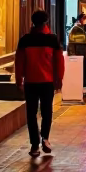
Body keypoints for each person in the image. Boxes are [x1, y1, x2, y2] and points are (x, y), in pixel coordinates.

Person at [16, 10, 65, 156]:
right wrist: (59, 79)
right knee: (47, 112)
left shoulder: (25, 40)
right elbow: (59, 61)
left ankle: (34, 144)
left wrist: (19, 80)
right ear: (46, 22)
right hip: (47, 82)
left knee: (31, 114)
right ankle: (45, 138)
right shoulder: (52, 39)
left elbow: (19, 62)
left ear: (33, 22)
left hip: (30, 82)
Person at [67, 12, 86, 88]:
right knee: (83, 66)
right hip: (78, 51)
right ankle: (84, 82)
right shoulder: (77, 28)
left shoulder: (84, 27)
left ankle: (85, 81)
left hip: (83, 50)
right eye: (83, 18)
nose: (85, 20)